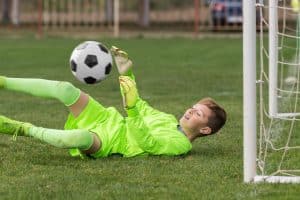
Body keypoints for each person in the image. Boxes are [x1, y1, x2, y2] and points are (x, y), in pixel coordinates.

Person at [0, 46, 226, 158]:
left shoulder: (181, 145)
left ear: (205, 129)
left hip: (110, 141)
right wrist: (128, 73)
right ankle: (3, 82)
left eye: (198, 113)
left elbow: (148, 143)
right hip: (108, 119)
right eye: (193, 107)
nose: (190, 111)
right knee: (66, 89)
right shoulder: (167, 119)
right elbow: (140, 105)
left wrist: (131, 110)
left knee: (77, 138)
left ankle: (22, 128)